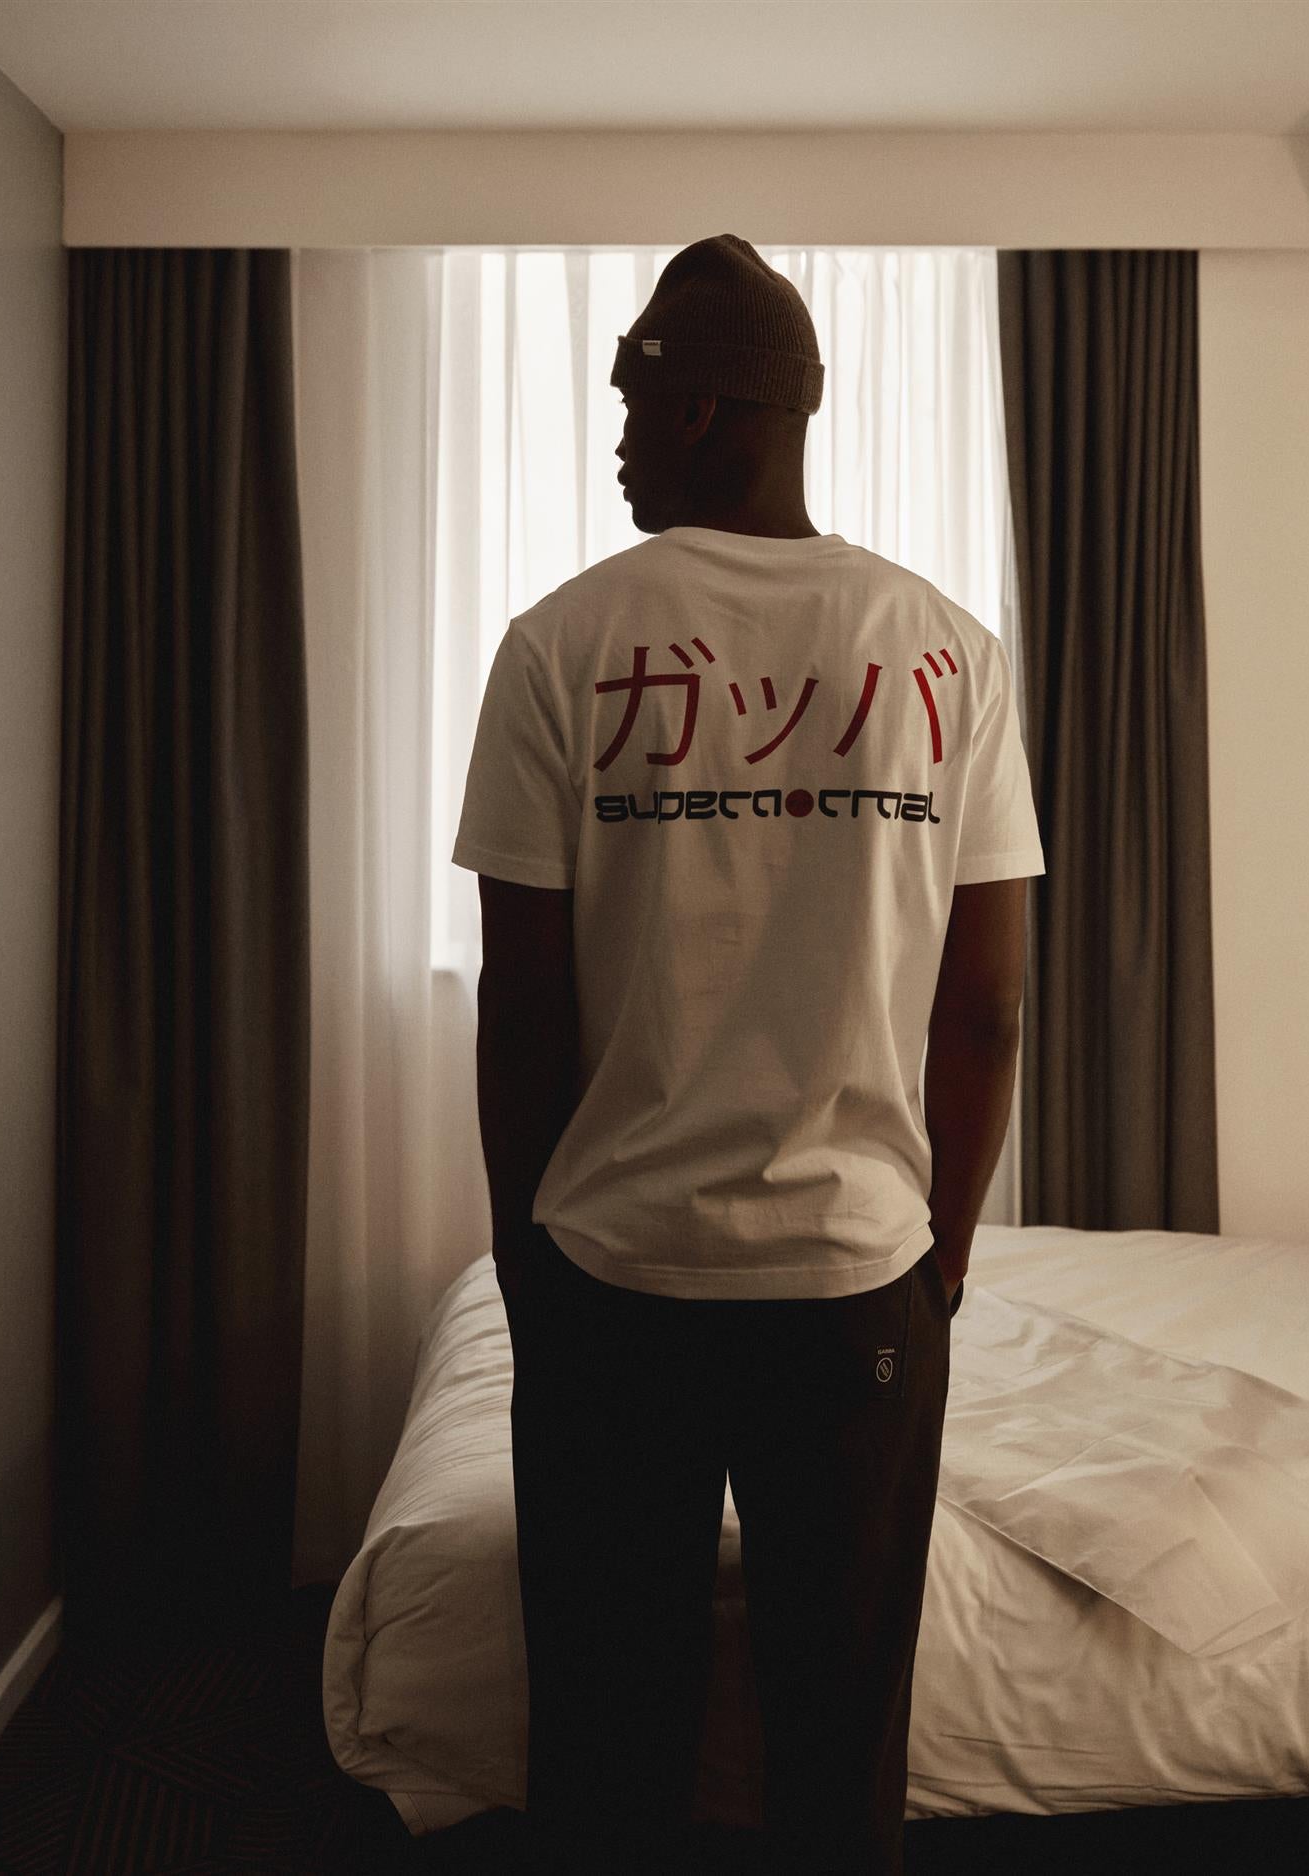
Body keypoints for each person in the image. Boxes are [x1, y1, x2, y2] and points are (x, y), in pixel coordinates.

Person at [451, 233, 1046, 1874]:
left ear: (703, 408)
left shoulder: (559, 644)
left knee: (606, 1748)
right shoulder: (947, 650)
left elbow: (524, 1000)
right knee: (837, 1756)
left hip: (617, 1281)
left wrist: (525, 1256)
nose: (619, 443)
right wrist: (937, 1255)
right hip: (854, 1280)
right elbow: (987, 1005)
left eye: (631, 406)